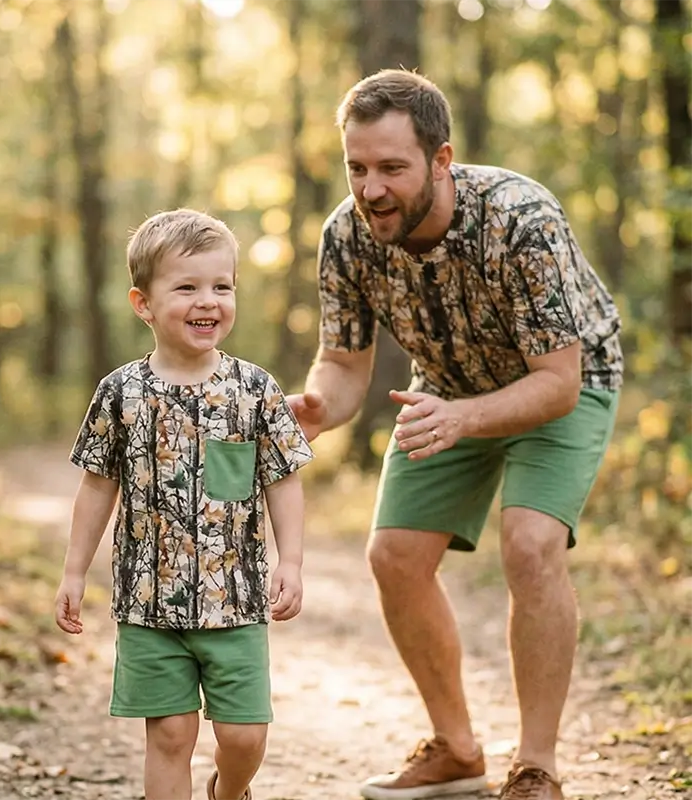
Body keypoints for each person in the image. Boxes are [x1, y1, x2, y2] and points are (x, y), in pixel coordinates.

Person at [287, 69, 622, 800]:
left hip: (564, 381)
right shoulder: (346, 236)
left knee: (531, 544)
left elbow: (556, 381)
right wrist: (316, 405)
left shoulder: (519, 217)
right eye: (357, 168)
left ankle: (536, 766)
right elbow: (343, 363)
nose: (370, 189)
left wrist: (465, 416)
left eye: (391, 169)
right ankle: (458, 749)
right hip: (447, 385)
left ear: (442, 161)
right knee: (394, 556)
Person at [54, 209, 314, 800]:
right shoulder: (120, 393)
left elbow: (283, 479)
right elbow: (97, 484)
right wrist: (74, 570)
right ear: (143, 303)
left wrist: (291, 560)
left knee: (244, 735)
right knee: (170, 734)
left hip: (237, 602)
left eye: (222, 286)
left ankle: (229, 790)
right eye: (188, 287)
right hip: (148, 606)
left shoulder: (255, 390)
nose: (209, 301)